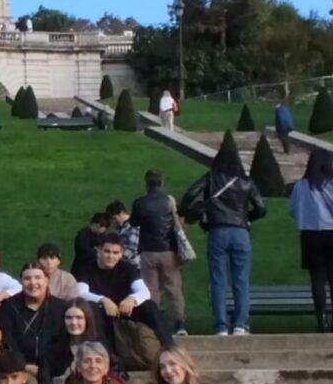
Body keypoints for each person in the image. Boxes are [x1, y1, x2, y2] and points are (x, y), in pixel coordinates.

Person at [180, 135, 267, 335]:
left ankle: (221, 324)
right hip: (240, 231)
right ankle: (241, 323)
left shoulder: (211, 177)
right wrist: (247, 217)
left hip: (217, 230)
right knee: (241, 280)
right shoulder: (245, 181)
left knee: (218, 280)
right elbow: (261, 208)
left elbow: (190, 195)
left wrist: (199, 212)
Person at [75, 233, 174, 351]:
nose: (111, 256)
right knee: (90, 308)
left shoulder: (128, 268)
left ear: (121, 254)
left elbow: (144, 292)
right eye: (107, 251)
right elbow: (80, 293)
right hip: (100, 311)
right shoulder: (85, 268)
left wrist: (132, 299)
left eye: (115, 253)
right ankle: (107, 356)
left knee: (150, 306)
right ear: (99, 250)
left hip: (124, 310)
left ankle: (170, 348)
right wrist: (103, 300)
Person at [131, 169, 188, 336]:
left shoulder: (140, 203)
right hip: (168, 250)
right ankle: (180, 323)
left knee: (151, 290)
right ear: (161, 183)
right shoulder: (168, 202)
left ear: (146, 184)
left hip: (148, 251)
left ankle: (154, 323)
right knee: (174, 288)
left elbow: (134, 223)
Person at [0, 263, 69, 384]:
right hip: (17, 371)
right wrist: (23, 365)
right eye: (27, 278)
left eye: (37, 277)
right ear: (21, 282)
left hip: (53, 372)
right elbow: (6, 341)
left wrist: (43, 370)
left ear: (46, 280)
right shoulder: (9, 307)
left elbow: (62, 343)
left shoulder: (61, 308)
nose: (32, 282)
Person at [288, 149, 333, 331]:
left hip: (310, 234)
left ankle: (321, 319)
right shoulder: (331, 184)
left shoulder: (301, 185)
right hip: (331, 231)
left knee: (317, 278)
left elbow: (292, 209)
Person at [106, 200, 141, 268]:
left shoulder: (133, 226)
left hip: (133, 265)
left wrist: (115, 259)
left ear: (121, 213)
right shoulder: (121, 227)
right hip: (124, 264)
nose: (113, 221)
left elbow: (131, 249)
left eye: (114, 218)